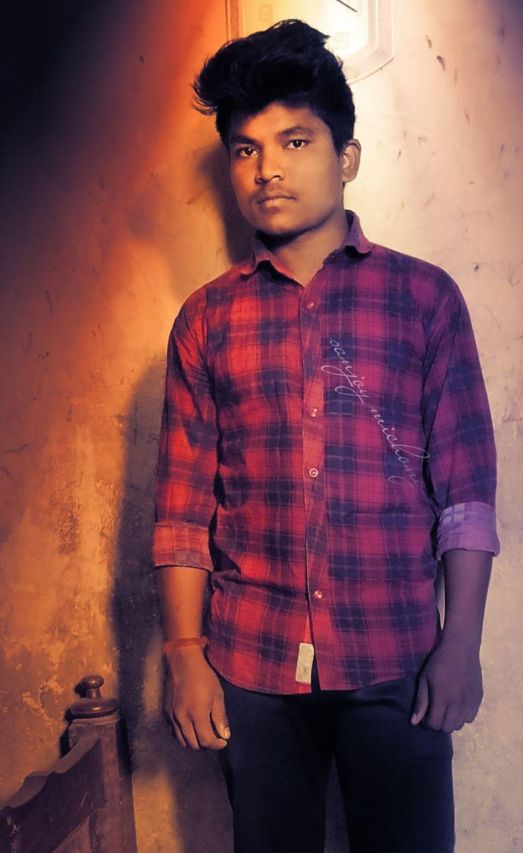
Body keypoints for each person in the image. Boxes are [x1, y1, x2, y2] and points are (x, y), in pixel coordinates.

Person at [153, 19, 499, 853]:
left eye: (295, 141)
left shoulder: (424, 299)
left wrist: (461, 642)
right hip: (253, 663)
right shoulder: (206, 318)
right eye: (245, 149)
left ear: (347, 157)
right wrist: (185, 651)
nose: (266, 168)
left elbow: (465, 493)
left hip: (398, 657)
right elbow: (182, 507)